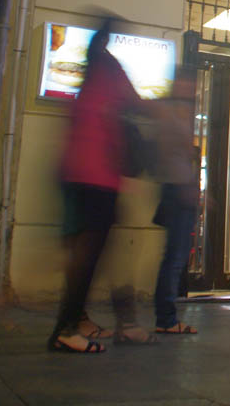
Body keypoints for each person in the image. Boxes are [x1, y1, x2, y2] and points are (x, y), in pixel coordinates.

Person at [48, 19, 156, 354]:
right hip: (99, 178)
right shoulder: (110, 70)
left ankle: (112, 324)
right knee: (99, 256)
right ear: (106, 40)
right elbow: (136, 104)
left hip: (77, 176)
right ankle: (71, 329)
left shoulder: (89, 77)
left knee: (94, 255)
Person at [151, 66, 199, 334]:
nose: (188, 87)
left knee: (175, 256)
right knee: (174, 257)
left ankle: (166, 316)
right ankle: (166, 318)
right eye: (184, 82)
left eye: (190, 83)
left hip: (181, 187)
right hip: (175, 189)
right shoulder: (168, 111)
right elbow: (167, 152)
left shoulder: (183, 112)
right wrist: (184, 187)